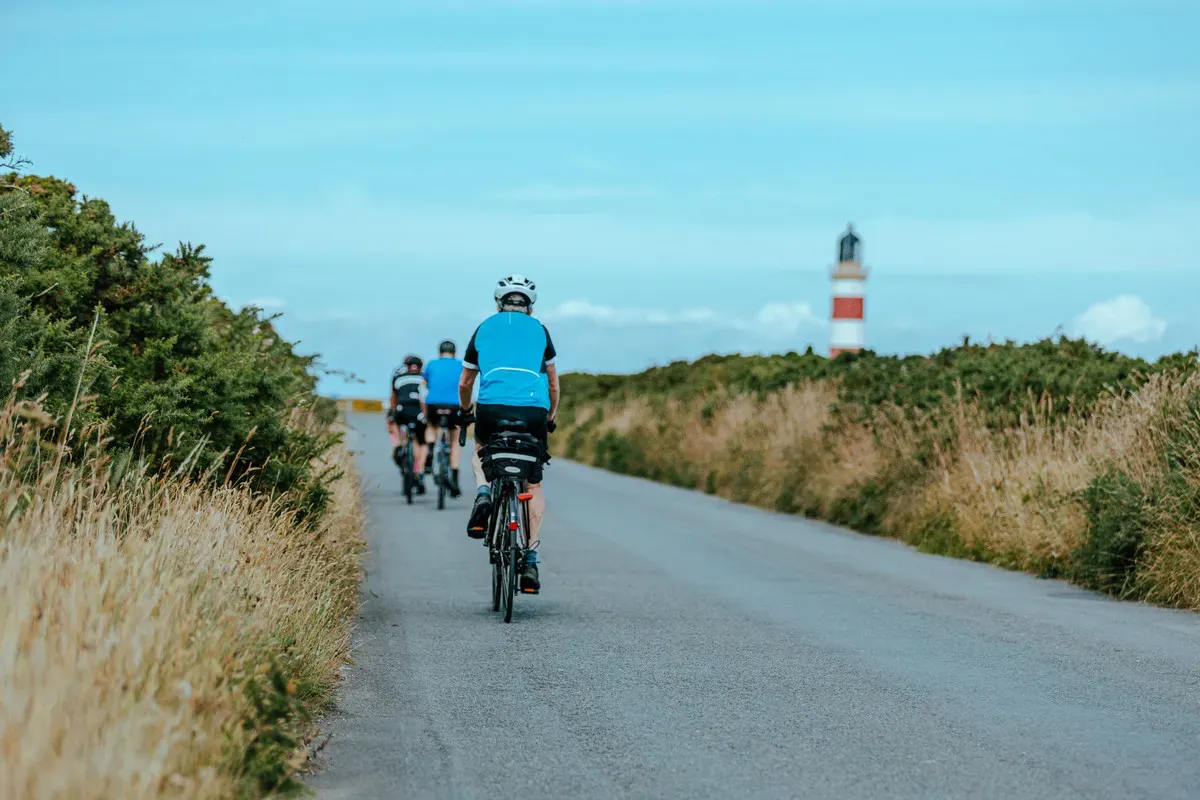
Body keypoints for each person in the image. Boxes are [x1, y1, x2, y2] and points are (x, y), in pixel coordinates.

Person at [458, 274, 559, 594]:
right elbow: (553, 383)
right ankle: (530, 558)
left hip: (491, 408)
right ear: (530, 306)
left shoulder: (484, 327)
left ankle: (483, 493)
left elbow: (465, 382)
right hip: (533, 411)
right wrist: (550, 417)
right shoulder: (540, 330)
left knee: (481, 450)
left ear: (498, 303)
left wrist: (466, 411)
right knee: (533, 483)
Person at [420, 339, 465, 497]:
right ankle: (454, 480)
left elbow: (425, 384)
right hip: (454, 405)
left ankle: (430, 450)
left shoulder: (431, 364)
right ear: (454, 353)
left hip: (434, 404)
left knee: (431, 427)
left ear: (440, 353)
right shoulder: (461, 365)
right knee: (454, 442)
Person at [387, 355, 428, 494]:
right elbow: (425, 399)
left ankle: (399, 445)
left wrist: (393, 413)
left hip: (402, 410)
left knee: (396, 423)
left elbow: (393, 397)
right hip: (417, 412)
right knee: (421, 442)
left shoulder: (398, 377)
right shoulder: (424, 378)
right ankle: (420, 471)